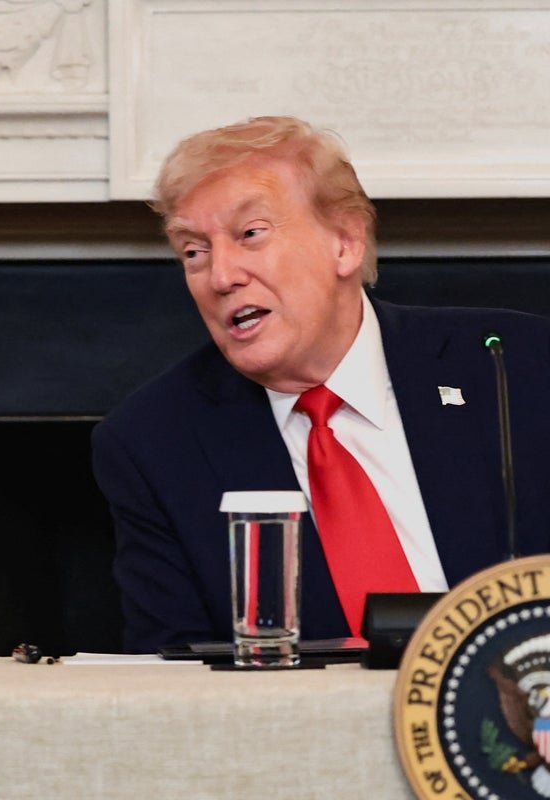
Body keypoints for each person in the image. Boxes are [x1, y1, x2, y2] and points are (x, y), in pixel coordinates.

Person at [92, 116, 550, 653]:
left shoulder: (514, 363)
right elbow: (170, 671)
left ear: (345, 243)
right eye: (194, 252)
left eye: (250, 234)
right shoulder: (153, 442)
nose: (221, 277)